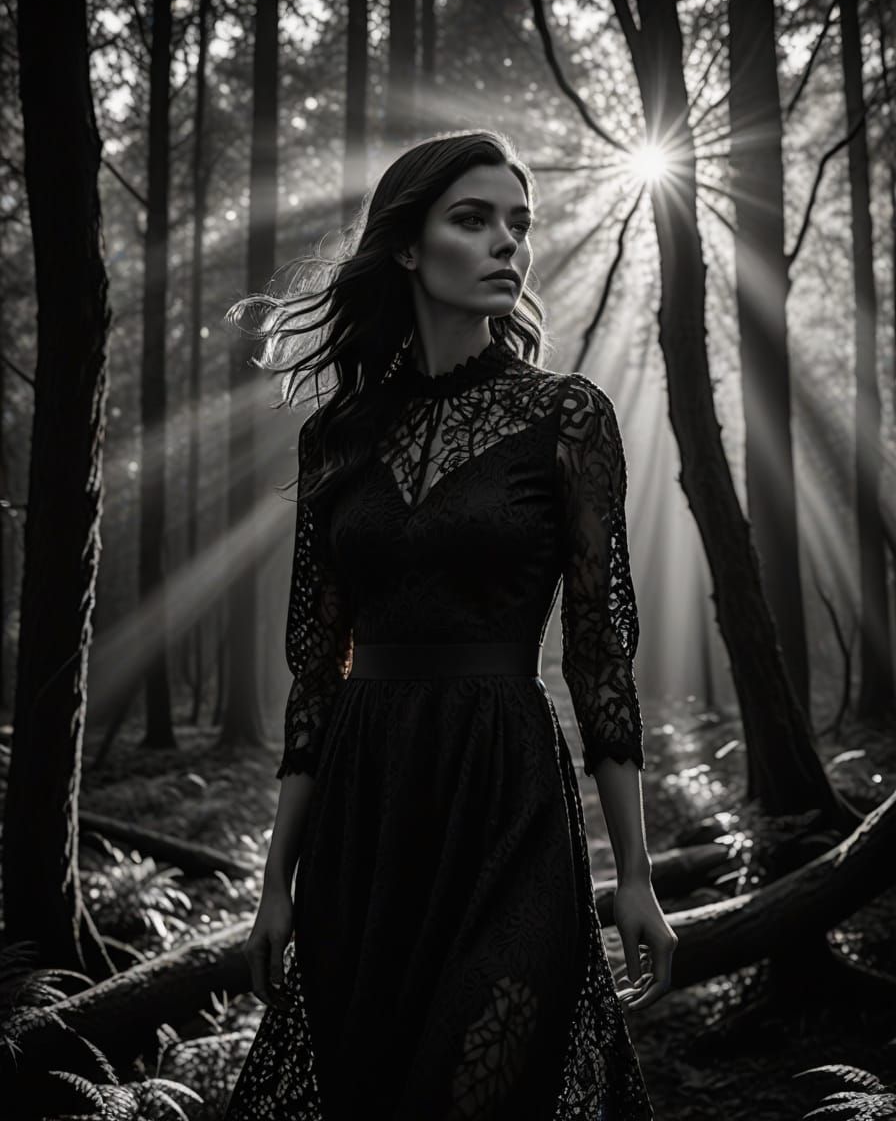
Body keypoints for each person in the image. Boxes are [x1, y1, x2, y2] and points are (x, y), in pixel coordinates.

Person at [222, 128, 675, 1121]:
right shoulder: (335, 439)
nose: (507, 244)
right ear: (404, 246)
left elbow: (601, 659)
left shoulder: (567, 418)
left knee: (482, 1078)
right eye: (472, 220)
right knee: (371, 1085)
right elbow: (315, 670)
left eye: (518, 223)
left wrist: (633, 876)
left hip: (504, 786)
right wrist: (274, 884)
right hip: (364, 806)